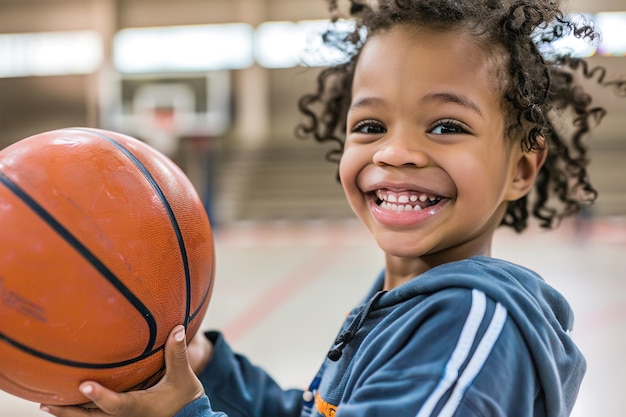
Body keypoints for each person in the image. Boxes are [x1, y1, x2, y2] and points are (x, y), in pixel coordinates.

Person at [41, 1, 625, 416]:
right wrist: (208, 365)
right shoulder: (408, 299)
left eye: (447, 126)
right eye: (371, 125)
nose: (396, 151)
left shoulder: (471, 323)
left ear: (522, 168)